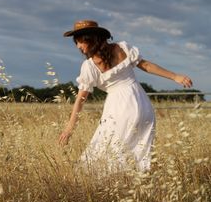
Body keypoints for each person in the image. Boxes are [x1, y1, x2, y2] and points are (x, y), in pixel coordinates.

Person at [58, 20, 193, 172]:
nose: (78, 47)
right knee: (139, 150)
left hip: (119, 107)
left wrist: (70, 128)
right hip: (142, 103)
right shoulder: (123, 48)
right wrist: (175, 76)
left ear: (90, 38)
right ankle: (137, 182)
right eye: (76, 43)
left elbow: (80, 100)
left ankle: (113, 185)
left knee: (106, 148)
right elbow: (146, 66)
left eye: (80, 41)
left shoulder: (89, 66)